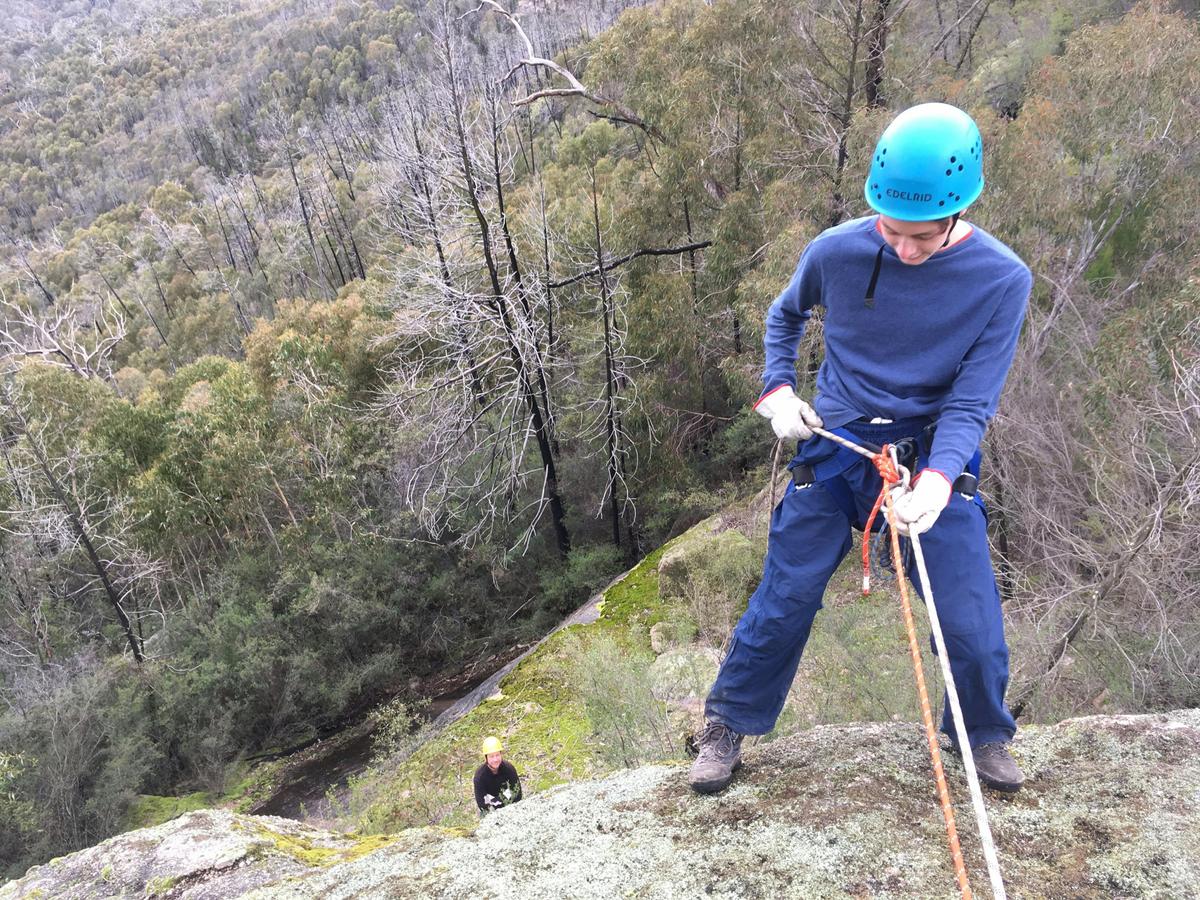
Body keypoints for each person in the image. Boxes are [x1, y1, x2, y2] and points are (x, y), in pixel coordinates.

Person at [689, 102, 1032, 796]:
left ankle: (979, 731)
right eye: (892, 232)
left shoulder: (1002, 280)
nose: (903, 249)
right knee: (786, 596)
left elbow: (972, 400)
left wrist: (936, 484)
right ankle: (725, 724)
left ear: (959, 213)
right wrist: (777, 390)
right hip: (836, 446)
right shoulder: (837, 250)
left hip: (929, 456)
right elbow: (784, 316)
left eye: (922, 238)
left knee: (970, 623)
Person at [474, 735, 523, 814]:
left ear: (501, 754)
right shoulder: (480, 777)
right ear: (486, 758)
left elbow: (517, 793)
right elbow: (481, 803)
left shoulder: (509, 769)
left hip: (510, 806)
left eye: (497, 755)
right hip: (492, 809)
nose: (495, 759)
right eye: (491, 756)